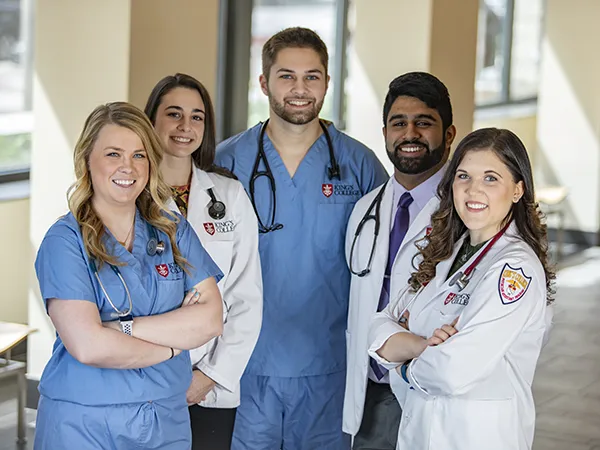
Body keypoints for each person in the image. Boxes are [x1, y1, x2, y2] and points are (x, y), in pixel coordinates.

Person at [215, 27, 388, 449]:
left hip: (330, 365)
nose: (300, 88)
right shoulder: (225, 162)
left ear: (328, 83)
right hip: (245, 362)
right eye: (286, 76)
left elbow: (388, 261)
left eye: (312, 76)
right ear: (264, 83)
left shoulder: (359, 164)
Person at [33, 102, 224, 450]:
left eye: (139, 155)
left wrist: (121, 329)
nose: (128, 166)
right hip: (84, 422)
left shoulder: (172, 231)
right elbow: (88, 346)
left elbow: (211, 319)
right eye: (113, 154)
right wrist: (172, 344)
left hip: (166, 417)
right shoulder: (64, 241)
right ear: (87, 161)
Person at [368, 127, 555, 450]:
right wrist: (426, 346)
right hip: (421, 432)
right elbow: (376, 329)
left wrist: (403, 362)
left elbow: (452, 371)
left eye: (491, 178)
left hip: (477, 437)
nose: (473, 190)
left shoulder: (515, 269)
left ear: (517, 190)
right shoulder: (444, 252)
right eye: (464, 176)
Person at [144, 73, 263, 450]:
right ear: (151, 121)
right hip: (143, 375)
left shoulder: (228, 194)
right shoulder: (129, 192)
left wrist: (210, 376)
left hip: (211, 381)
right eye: (173, 114)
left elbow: (247, 297)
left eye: (197, 117)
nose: (185, 127)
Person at [343, 72, 456, 449]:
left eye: (424, 123)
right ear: (385, 132)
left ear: (449, 134)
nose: (410, 134)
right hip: (371, 385)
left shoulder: (463, 214)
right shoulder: (365, 210)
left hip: (428, 383)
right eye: (399, 123)